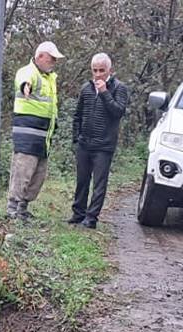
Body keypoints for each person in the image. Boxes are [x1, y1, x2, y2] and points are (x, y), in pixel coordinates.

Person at [68, 52, 130, 229]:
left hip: (104, 146)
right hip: (84, 143)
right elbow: (78, 114)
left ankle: (91, 217)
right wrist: (76, 138)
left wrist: (104, 93)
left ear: (109, 70)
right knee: (82, 180)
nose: (97, 74)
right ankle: (78, 213)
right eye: (94, 70)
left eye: (101, 70)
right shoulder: (85, 88)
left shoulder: (119, 88)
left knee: (99, 183)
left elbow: (118, 112)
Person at [7, 40, 64, 220]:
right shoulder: (28, 71)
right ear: (40, 56)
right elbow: (23, 80)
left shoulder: (50, 78)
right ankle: (12, 210)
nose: (54, 62)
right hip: (27, 135)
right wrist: (25, 86)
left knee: (38, 176)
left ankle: (23, 209)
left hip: (43, 137)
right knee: (22, 172)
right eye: (51, 58)